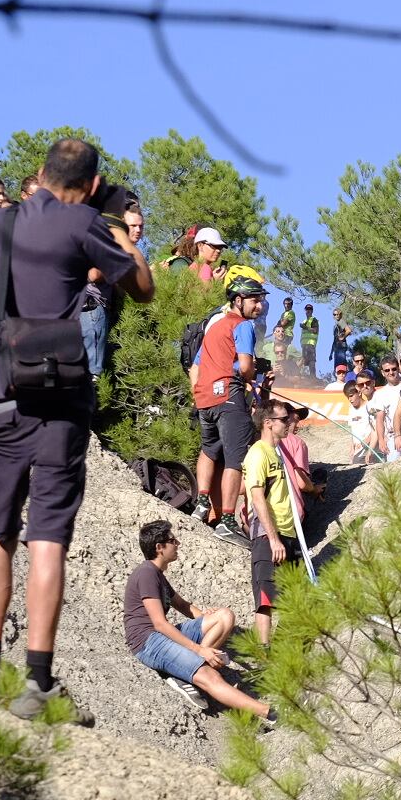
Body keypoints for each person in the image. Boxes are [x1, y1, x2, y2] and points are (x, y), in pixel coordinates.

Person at [0, 138, 154, 720]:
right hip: (56, 397)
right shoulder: (82, 223)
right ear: (91, 185)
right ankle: (37, 680)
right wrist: (116, 224)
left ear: (41, 172)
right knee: (46, 535)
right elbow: (143, 289)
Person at [125, 519, 273, 718]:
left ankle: (186, 668)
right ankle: (270, 713)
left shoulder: (158, 575)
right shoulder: (146, 573)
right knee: (209, 675)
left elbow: (183, 605)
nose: (178, 544)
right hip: (148, 642)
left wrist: (207, 618)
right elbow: (159, 623)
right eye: (172, 540)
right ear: (159, 547)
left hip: (161, 636)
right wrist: (199, 650)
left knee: (224, 616)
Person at [189, 278, 266, 542]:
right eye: (255, 300)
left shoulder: (214, 328)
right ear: (238, 301)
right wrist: (251, 376)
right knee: (235, 459)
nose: (259, 306)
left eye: (260, 300)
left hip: (204, 399)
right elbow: (245, 366)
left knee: (209, 449)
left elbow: (194, 368)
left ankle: (201, 504)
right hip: (229, 397)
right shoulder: (242, 325)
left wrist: (199, 393)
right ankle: (228, 521)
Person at [242, 405, 304, 644]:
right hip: (268, 534)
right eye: (284, 419)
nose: (289, 423)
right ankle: (264, 649)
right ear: (268, 423)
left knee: (296, 595)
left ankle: (283, 647)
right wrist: (273, 539)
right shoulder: (258, 453)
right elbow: (257, 498)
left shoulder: (276, 452)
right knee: (266, 596)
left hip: (288, 532)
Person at [345, 377, 382, 464]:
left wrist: (365, 442)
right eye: (347, 397)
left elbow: (375, 428)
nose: (350, 400)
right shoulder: (350, 409)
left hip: (369, 447)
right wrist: (352, 447)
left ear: (359, 393)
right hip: (357, 450)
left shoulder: (369, 407)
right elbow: (352, 431)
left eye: (351, 396)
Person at [298, 303, 320, 376]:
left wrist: (305, 327)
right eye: (307, 309)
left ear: (312, 311)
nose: (308, 310)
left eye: (310, 309)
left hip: (310, 343)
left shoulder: (313, 320)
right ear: (305, 310)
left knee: (311, 360)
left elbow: (315, 330)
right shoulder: (304, 321)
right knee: (304, 360)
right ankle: (299, 375)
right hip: (304, 344)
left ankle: (313, 377)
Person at [328, 307, 350, 372]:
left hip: (341, 346)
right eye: (335, 314)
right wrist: (331, 353)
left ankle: (345, 376)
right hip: (336, 348)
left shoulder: (341, 322)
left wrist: (343, 337)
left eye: (338, 314)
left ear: (340, 315)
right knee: (337, 366)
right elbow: (334, 340)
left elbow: (348, 330)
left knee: (341, 365)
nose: (337, 316)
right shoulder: (336, 326)